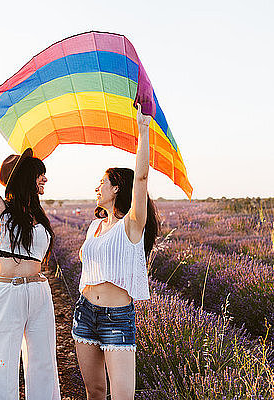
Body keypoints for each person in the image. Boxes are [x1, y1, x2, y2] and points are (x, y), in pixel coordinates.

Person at [0, 92, 61, 400]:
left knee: (44, 367)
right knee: (3, 368)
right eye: (39, 176)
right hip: (7, 293)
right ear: (24, 179)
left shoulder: (38, 216)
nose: (44, 180)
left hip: (38, 293)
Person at [72, 105, 159, 400]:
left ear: (117, 188)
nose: (97, 187)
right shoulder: (94, 227)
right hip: (85, 313)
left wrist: (143, 129)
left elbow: (142, 179)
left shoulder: (132, 226)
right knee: (94, 391)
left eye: (102, 182)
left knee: (123, 396)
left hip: (117, 319)